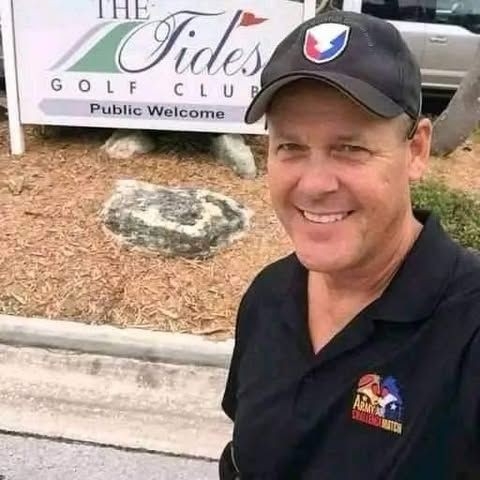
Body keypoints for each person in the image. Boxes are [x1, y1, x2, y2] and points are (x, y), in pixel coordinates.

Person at [218, 9, 480, 480]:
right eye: (291, 147)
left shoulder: (469, 330)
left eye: (350, 148)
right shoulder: (268, 297)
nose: (315, 184)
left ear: (416, 150)